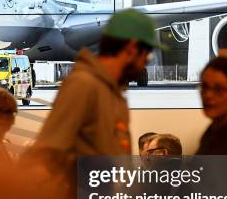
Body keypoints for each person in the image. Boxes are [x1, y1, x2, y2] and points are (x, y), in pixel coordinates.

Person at [31, 9, 168, 157]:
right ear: (131, 49)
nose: (146, 62)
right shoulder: (83, 86)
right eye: (146, 54)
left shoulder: (109, 88)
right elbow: (47, 155)